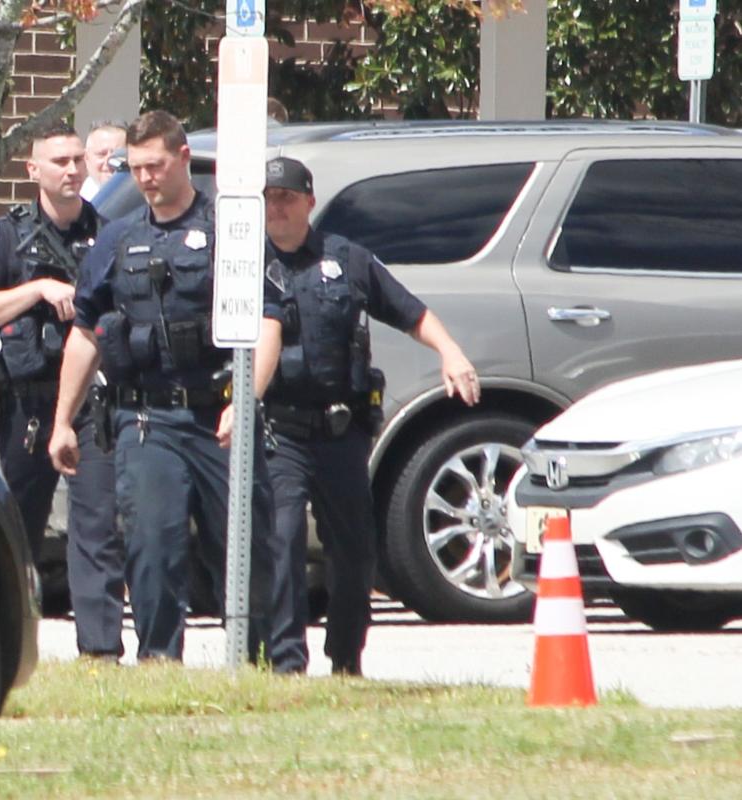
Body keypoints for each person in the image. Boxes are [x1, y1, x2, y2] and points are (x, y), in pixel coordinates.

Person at [49, 110, 283, 663]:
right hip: (147, 419)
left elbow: (269, 322)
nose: (146, 178)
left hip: (218, 416)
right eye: (135, 169)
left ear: (182, 159)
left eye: (155, 165)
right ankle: (159, 665)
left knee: (246, 547)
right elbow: (84, 333)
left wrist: (246, 402)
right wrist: (63, 420)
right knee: (152, 546)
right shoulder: (118, 240)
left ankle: (259, 663)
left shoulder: (232, 232)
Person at [260, 156, 481, 676]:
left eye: (287, 198)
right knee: (284, 541)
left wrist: (451, 352)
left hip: (341, 429)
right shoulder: (244, 266)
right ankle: (286, 663)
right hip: (280, 429)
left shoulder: (348, 260)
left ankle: (345, 660)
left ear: (309, 202)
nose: (277, 208)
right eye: (269, 199)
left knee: (355, 551)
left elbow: (410, 312)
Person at [0, 120, 124, 659]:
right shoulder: (6, 236)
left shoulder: (108, 234)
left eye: (78, 159)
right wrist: (37, 289)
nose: (73, 170)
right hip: (25, 402)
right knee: (14, 528)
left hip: (88, 401)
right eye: (60, 161)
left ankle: (101, 651)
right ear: (33, 170)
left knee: (97, 526)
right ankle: (8, 646)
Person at [80, 121, 126, 202]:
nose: (109, 161)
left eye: (117, 154)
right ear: (86, 157)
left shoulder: (145, 199)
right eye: (101, 154)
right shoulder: (74, 202)